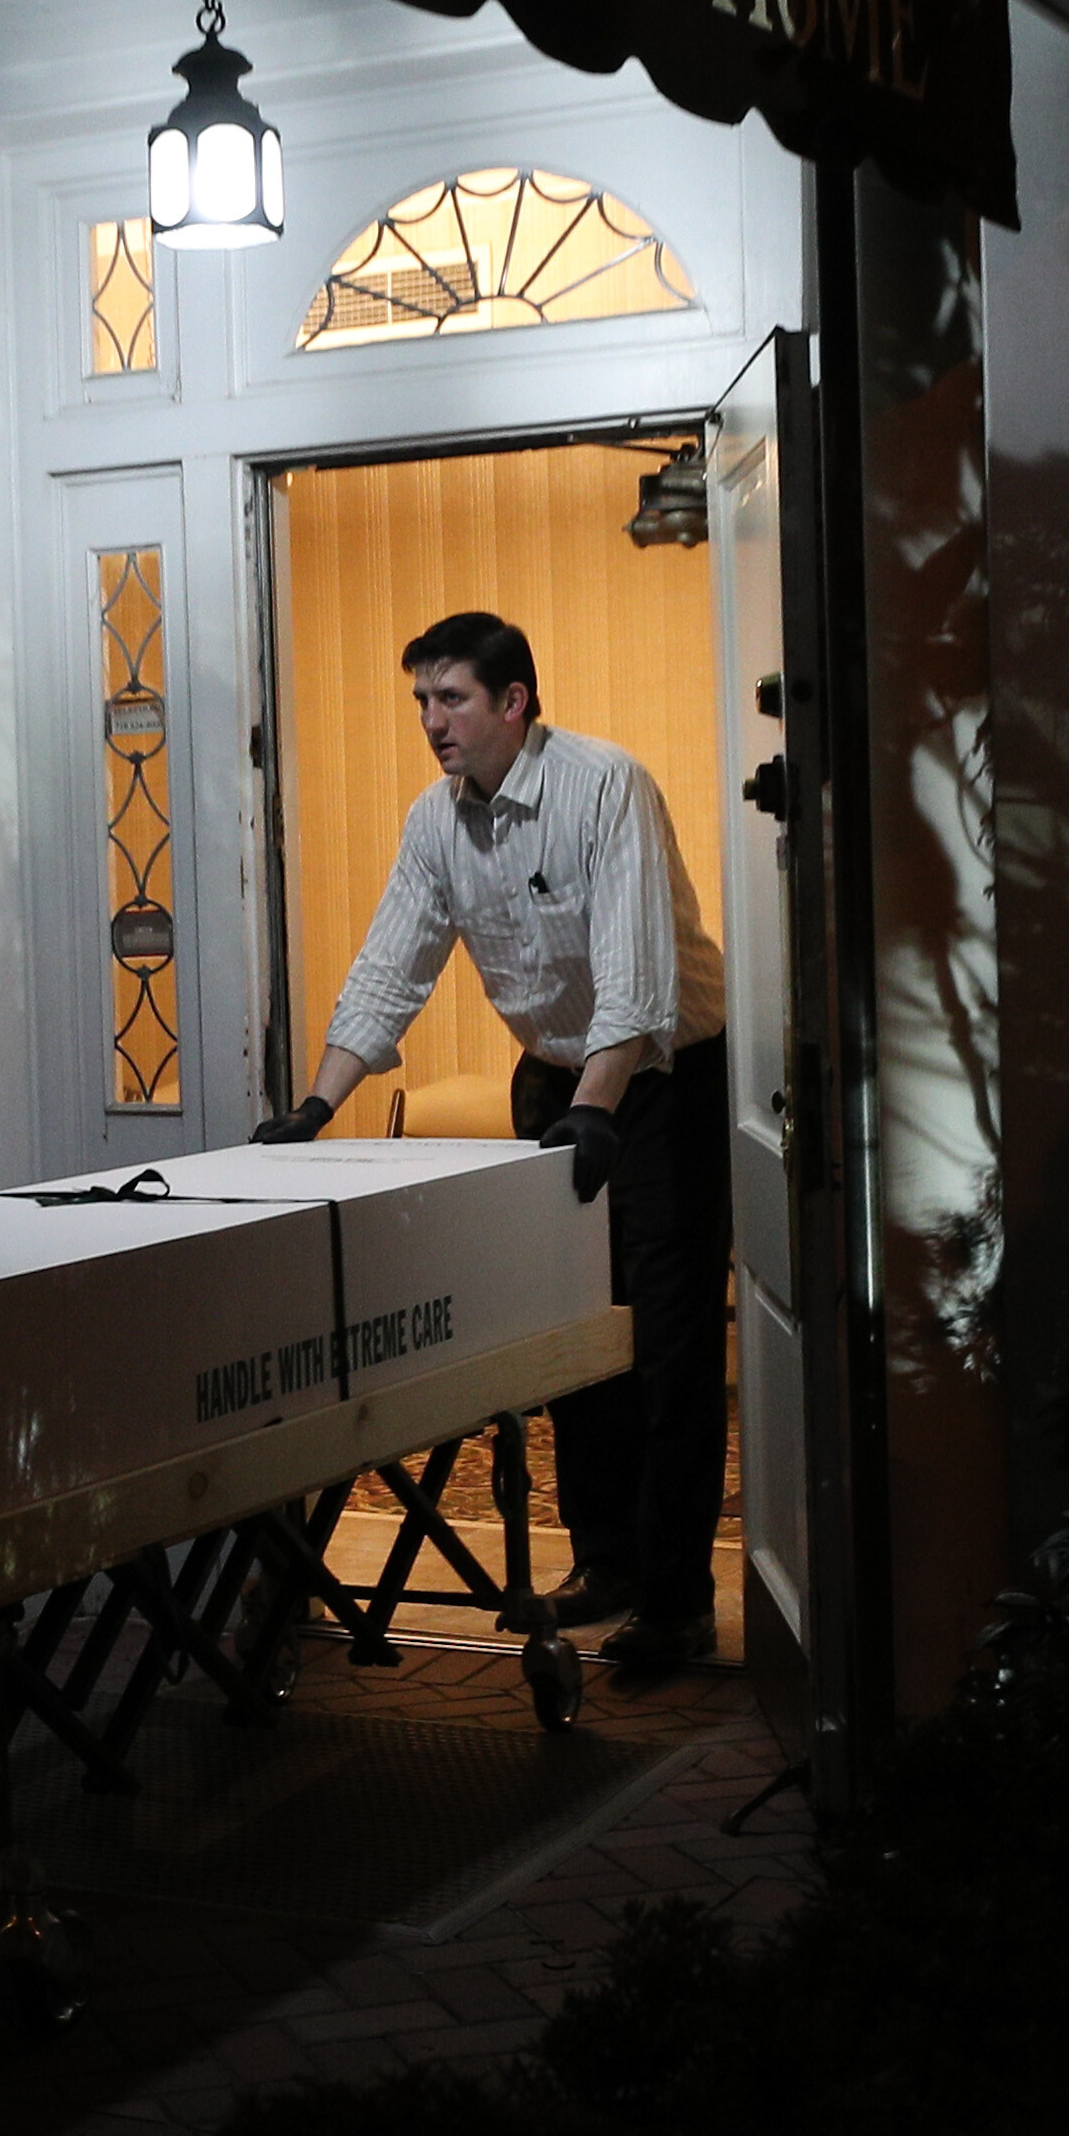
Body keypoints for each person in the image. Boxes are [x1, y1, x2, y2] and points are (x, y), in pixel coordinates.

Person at [254, 611, 730, 1672]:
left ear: (514, 702)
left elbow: (638, 974)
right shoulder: (438, 820)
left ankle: (679, 1602)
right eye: (421, 700)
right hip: (556, 1080)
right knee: (573, 1336)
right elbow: (393, 964)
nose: (432, 721)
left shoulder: (606, 785)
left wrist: (601, 1106)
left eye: (451, 698)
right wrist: (317, 1105)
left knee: (666, 1339)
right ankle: (605, 1561)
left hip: (660, 1081)